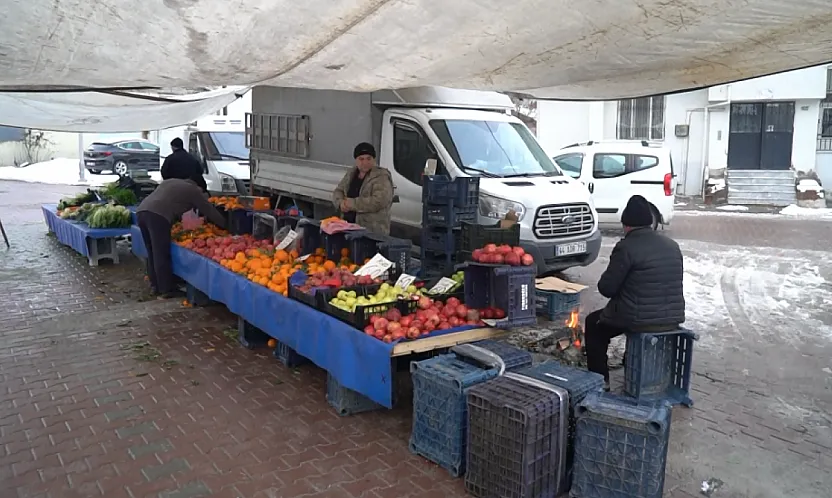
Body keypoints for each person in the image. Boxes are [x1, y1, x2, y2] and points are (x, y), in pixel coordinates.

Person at [584, 195, 685, 388]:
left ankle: (600, 381)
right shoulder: (672, 246)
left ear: (626, 225)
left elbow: (606, 288)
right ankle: (631, 363)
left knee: (593, 325)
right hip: (672, 317)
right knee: (631, 315)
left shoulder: (626, 247)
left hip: (640, 319)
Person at [137, 178, 226, 298]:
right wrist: (224, 225)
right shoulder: (194, 191)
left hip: (141, 211)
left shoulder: (171, 182)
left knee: (151, 251)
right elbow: (209, 210)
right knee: (160, 253)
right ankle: (166, 289)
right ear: (200, 188)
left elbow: (172, 203)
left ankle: (155, 286)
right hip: (158, 216)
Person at [332, 142, 394, 235]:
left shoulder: (381, 176)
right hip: (347, 227)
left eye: (369, 158)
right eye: (361, 159)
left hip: (371, 232)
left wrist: (352, 204)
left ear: (374, 159)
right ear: (356, 160)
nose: (365, 162)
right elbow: (338, 191)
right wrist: (340, 203)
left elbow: (379, 201)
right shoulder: (351, 173)